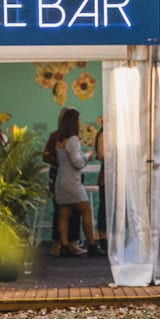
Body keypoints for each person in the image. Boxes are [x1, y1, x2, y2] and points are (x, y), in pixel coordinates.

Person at [54, 108, 97, 256]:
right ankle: (92, 245)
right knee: (86, 211)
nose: (80, 122)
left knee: (63, 214)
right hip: (72, 181)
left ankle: (64, 247)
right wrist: (87, 155)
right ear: (74, 122)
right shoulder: (73, 140)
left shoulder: (59, 140)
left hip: (60, 180)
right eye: (78, 120)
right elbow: (77, 162)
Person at [43, 108, 79, 256]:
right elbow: (45, 155)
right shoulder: (57, 137)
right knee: (62, 210)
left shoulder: (68, 137)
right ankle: (60, 241)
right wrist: (58, 159)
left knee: (70, 211)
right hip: (59, 175)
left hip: (66, 175)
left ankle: (69, 242)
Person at [94, 123, 108, 255]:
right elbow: (101, 154)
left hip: (117, 176)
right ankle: (103, 238)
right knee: (105, 208)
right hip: (107, 176)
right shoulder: (104, 134)